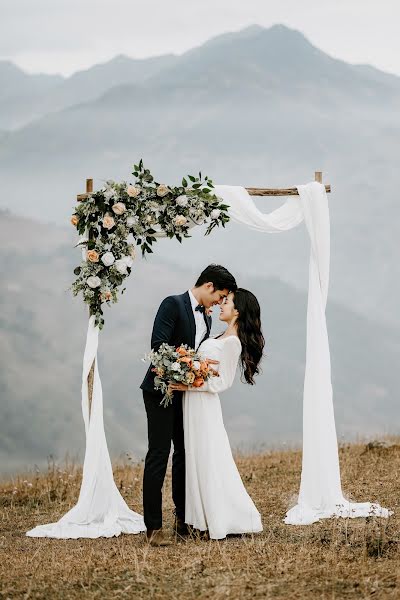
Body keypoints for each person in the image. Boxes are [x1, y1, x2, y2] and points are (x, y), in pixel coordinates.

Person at [140, 264, 237, 546]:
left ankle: (184, 520)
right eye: (220, 296)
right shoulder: (172, 304)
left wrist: (200, 373)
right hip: (160, 390)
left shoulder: (206, 318)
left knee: (185, 453)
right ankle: (153, 528)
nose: (220, 303)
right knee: (159, 453)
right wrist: (192, 367)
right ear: (209, 287)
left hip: (186, 394)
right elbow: (159, 348)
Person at [169, 288, 264, 540]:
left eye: (227, 302)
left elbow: (223, 382)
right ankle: (199, 518)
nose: (222, 305)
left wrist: (189, 382)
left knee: (209, 457)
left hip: (204, 405)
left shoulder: (232, 342)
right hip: (194, 402)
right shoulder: (221, 335)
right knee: (196, 457)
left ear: (238, 311)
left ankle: (227, 517)